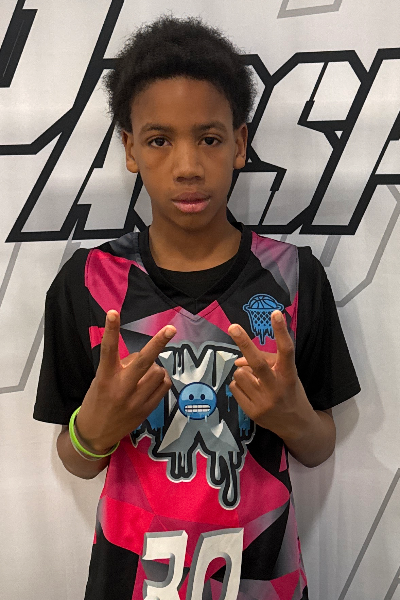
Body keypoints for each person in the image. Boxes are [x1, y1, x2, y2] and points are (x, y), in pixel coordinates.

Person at [33, 15, 360, 600]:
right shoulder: (89, 283)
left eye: (208, 138)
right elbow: (76, 459)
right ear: (130, 149)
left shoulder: (294, 277)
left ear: (239, 143)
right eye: (159, 140)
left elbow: (318, 446)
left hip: (264, 582)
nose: (187, 166)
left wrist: (291, 417)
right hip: (130, 581)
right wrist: (93, 432)